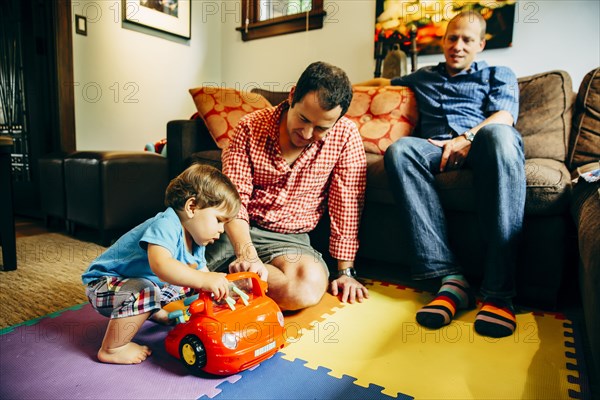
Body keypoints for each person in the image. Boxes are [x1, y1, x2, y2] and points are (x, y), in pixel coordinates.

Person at [357, 11, 524, 338]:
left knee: (500, 135)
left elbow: (505, 116)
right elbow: (380, 86)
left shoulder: (497, 73)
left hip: (482, 144)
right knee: (401, 149)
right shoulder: (423, 76)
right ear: (443, 40)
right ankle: (451, 281)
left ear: (480, 44)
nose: (457, 46)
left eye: (466, 40)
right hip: (435, 148)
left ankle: (499, 294)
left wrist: (467, 138)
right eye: (452, 38)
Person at [206, 61, 370, 311]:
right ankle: (213, 281)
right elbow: (233, 199)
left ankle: (211, 286)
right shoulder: (249, 127)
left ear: (337, 120)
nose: (306, 133)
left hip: (289, 242)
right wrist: (246, 254)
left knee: (306, 287)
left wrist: (345, 271)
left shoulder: (346, 135)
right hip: (236, 229)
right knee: (164, 262)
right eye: (303, 119)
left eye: (320, 128)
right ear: (292, 95)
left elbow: (346, 205)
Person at [82, 164, 240, 364]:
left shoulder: (197, 242)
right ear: (192, 207)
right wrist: (204, 279)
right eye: (219, 220)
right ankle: (112, 348)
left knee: (191, 285)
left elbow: (201, 278)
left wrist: (223, 291)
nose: (222, 230)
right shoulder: (166, 224)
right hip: (103, 285)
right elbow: (161, 266)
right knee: (147, 290)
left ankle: (154, 312)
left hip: (133, 285)